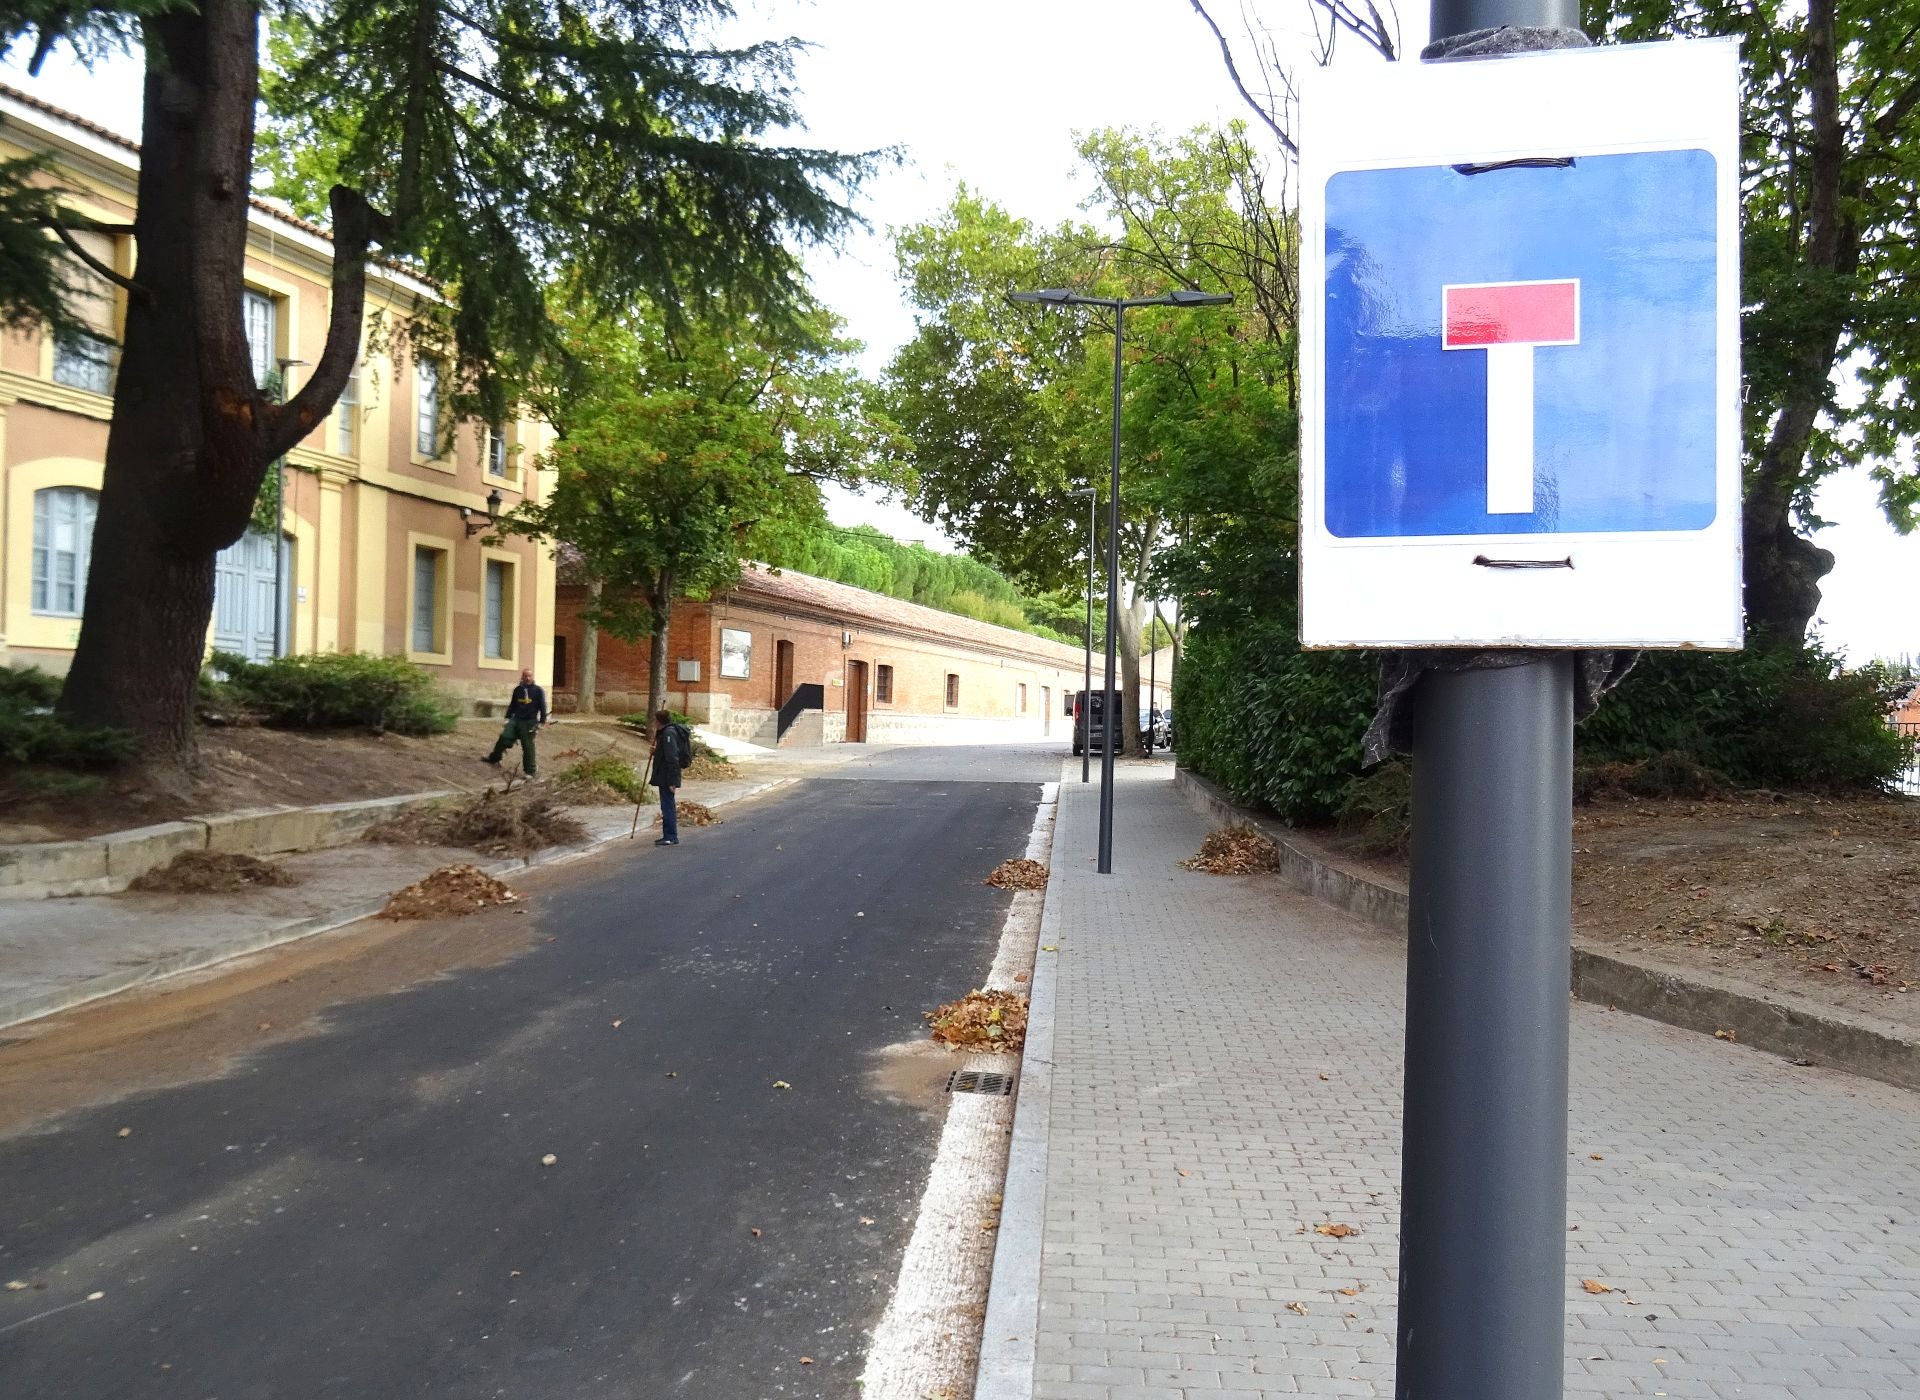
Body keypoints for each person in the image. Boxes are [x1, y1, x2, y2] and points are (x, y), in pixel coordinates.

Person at [483, 668, 547, 778]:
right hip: (516, 720)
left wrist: (542, 722)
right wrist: (508, 717)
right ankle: (494, 758)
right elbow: (513, 705)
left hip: (529, 722)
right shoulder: (518, 690)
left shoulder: (538, 691)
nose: (527, 678)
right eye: (525, 676)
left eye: (529, 676)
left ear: (532, 677)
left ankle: (530, 771)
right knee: (504, 738)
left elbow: (542, 706)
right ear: (522, 677)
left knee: (528, 746)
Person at [647, 708, 689, 846]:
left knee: (668, 806)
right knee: (666, 805)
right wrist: (655, 751)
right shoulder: (667, 733)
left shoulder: (669, 734)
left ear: (659, 721)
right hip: (665, 775)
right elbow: (665, 753)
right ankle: (668, 835)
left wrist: (672, 781)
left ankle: (670, 836)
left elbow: (671, 758)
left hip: (667, 776)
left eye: (655, 720)